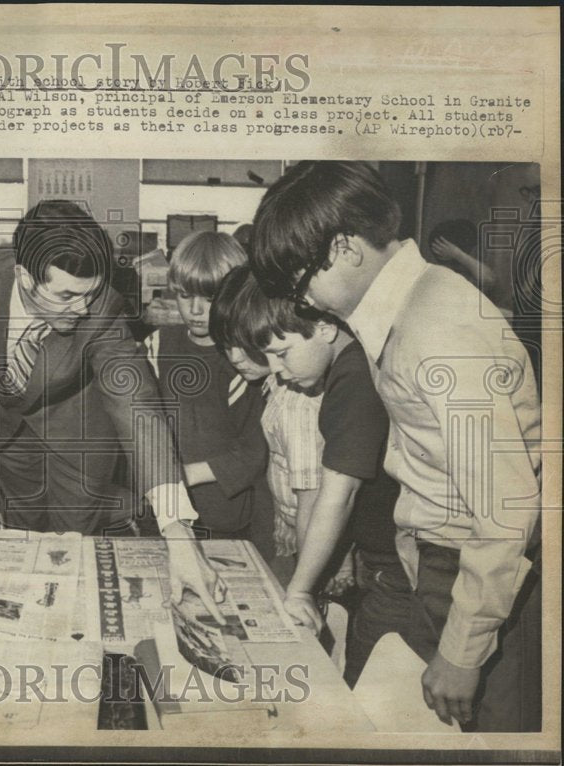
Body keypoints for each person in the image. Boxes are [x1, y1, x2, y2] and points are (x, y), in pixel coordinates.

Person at [250, 160, 541, 731]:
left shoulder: (440, 329)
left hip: (480, 577)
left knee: (493, 738)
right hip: (443, 566)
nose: (305, 302)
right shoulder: (414, 308)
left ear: (344, 248)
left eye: (302, 279)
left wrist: (462, 652)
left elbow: (505, 510)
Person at [0, 199, 226, 620]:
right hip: (4, 430)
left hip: (77, 432)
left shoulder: (102, 308)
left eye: (90, 294)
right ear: (24, 277)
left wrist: (178, 531)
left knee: (71, 548)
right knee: (22, 539)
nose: (82, 308)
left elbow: (139, 409)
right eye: (66, 295)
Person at [222, 268, 433, 687]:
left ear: (324, 327)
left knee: (368, 684)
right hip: (384, 560)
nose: (277, 370)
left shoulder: (353, 380)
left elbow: (335, 494)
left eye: (282, 353)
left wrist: (301, 590)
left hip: (399, 568)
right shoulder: (345, 369)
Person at [143, 232, 274, 561]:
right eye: (186, 296)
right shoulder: (158, 346)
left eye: (210, 297)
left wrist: (184, 475)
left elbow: (255, 452)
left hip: (222, 518)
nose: (197, 310)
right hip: (160, 514)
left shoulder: (247, 360)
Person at [209, 268, 324, 586]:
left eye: (246, 345)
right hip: (289, 540)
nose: (235, 357)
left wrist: (306, 581)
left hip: (305, 551)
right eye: (226, 346)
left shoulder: (294, 404)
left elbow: (310, 498)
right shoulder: (275, 385)